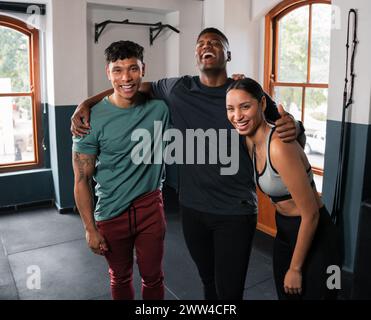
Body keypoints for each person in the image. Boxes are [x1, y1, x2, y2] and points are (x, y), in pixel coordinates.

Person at [71, 28, 302, 300]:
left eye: (216, 42)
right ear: (195, 54)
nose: (208, 46)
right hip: (192, 209)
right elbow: (128, 87)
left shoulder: (244, 91)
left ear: (228, 54)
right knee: (207, 282)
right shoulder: (177, 89)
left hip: (235, 210)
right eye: (201, 42)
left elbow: (285, 125)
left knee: (229, 289)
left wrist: (296, 126)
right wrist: (85, 102)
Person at [226, 78, 340, 299]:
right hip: (286, 232)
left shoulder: (278, 146)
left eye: (245, 106)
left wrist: (296, 268)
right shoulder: (249, 140)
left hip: (316, 233)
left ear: (261, 104)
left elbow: (311, 214)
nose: (237, 116)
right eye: (231, 109)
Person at [72, 40, 169, 300]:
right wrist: (89, 228)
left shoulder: (160, 109)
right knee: (120, 276)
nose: (126, 77)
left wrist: (234, 83)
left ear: (143, 69)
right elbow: (81, 179)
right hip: (112, 212)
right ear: (108, 73)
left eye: (133, 69)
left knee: (153, 276)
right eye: (117, 70)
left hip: (150, 208)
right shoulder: (90, 120)